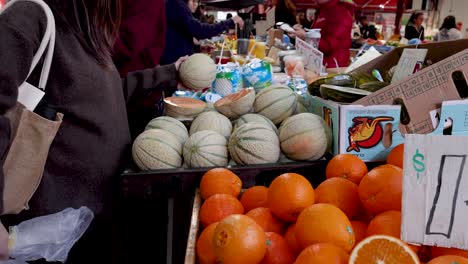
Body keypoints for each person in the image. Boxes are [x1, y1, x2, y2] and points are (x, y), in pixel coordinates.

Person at [0, 0, 187, 262]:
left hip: (90, 221)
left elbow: (105, 95)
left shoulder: (86, 31)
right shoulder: (30, 15)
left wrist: (169, 74)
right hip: (45, 235)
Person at [161, 0, 244, 65]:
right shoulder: (176, 4)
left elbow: (180, 34)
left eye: (197, 1)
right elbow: (200, 30)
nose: (195, 4)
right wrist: (230, 21)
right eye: (193, 1)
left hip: (174, 62)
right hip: (174, 63)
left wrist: (198, 45)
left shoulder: (172, 4)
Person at [293, 0, 354, 68]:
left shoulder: (339, 12)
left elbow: (329, 46)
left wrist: (306, 36)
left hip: (332, 67)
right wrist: (301, 34)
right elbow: (319, 36)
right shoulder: (323, 10)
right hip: (321, 64)